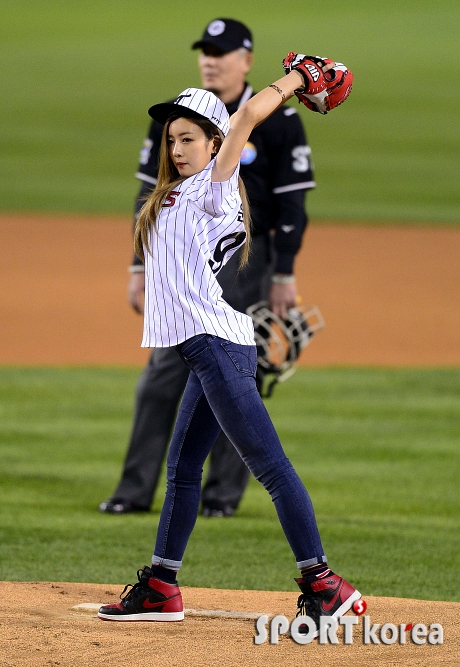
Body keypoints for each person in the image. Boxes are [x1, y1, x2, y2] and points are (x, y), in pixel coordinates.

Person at [98, 54, 361, 632]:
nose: (176, 149)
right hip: (204, 350)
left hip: (217, 349)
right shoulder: (177, 194)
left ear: (216, 143)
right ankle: (162, 587)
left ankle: (324, 584)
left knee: (270, 467)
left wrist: (294, 79)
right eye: (171, 140)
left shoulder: (216, 187)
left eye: (188, 138)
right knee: (184, 469)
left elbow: (245, 120)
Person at [99, 18, 316, 517]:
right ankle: (134, 490)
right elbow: (148, 199)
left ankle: (222, 496)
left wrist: (283, 272)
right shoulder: (178, 120)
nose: (210, 59)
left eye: (221, 52)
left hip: (246, 260)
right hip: (185, 259)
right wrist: (141, 267)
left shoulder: (269, 125)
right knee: (164, 376)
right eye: (205, 51)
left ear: (246, 59)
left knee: (237, 378)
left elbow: (291, 203)